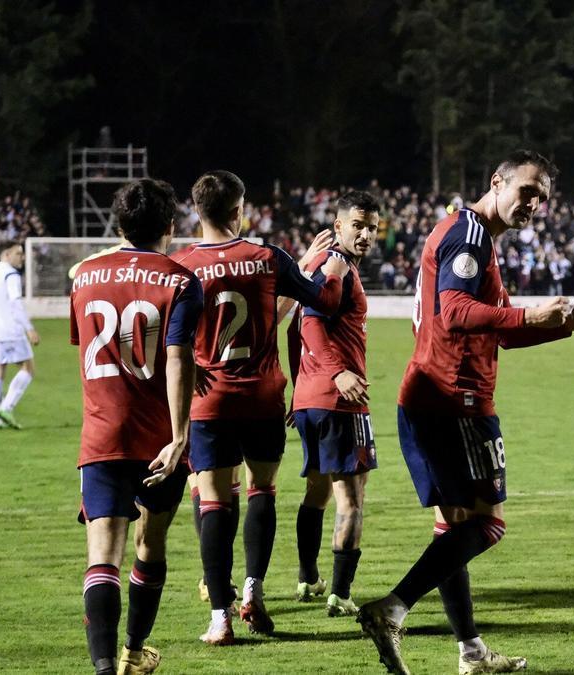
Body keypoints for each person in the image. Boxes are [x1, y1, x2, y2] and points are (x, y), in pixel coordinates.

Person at [357, 150, 574, 675]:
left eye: (542, 198)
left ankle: (471, 653)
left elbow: (500, 334)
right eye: (528, 190)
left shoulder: (475, 237)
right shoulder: (468, 234)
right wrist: (535, 311)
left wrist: (566, 325)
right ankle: (393, 609)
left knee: (454, 530)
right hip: (455, 401)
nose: (534, 204)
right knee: (487, 526)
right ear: (498, 181)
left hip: (428, 398)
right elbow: (457, 310)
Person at [171, 171, 349, 644]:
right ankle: (253, 588)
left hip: (209, 401)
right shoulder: (268, 258)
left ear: (197, 211)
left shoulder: (181, 265)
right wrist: (329, 266)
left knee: (212, 501)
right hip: (263, 397)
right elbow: (325, 301)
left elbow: (171, 342)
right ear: (238, 210)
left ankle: (219, 616)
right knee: (261, 491)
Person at [70, 179, 202, 675]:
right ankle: (132, 651)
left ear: (119, 224)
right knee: (151, 542)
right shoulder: (181, 280)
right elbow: (175, 356)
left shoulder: (83, 277)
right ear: (170, 226)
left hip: (102, 433)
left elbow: (92, 350)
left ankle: (105, 668)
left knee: (103, 554)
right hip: (156, 439)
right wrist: (180, 436)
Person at [289, 191, 380, 619]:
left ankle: (309, 579)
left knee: (318, 491)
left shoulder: (312, 265)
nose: (365, 234)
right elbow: (310, 324)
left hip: (310, 399)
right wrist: (338, 373)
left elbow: (294, 328)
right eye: (357, 225)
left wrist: (297, 389)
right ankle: (341, 594)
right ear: (338, 226)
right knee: (352, 499)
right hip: (340, 400)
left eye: (372, 227)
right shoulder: (336, 268)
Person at [0, 241, 39, 429]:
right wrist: (29, 328)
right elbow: (15, 303)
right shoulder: (10, 273)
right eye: (18, 253)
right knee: (28, 368)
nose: (21, 257)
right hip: (9, 329)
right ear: (6, 255)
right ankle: (6, 408)